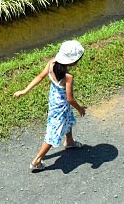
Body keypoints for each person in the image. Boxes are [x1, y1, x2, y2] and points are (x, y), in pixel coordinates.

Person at [13, 40, 87, 172]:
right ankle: (37, 160)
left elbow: (40, 76)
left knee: (68, 119)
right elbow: (70, 99)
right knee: (53, 132)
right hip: (61, 106)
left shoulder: (51, 63)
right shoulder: (68, 76)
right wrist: (80, 108)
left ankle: (69, 141)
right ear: (72, 61)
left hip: (54, 100)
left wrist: (25, 90)